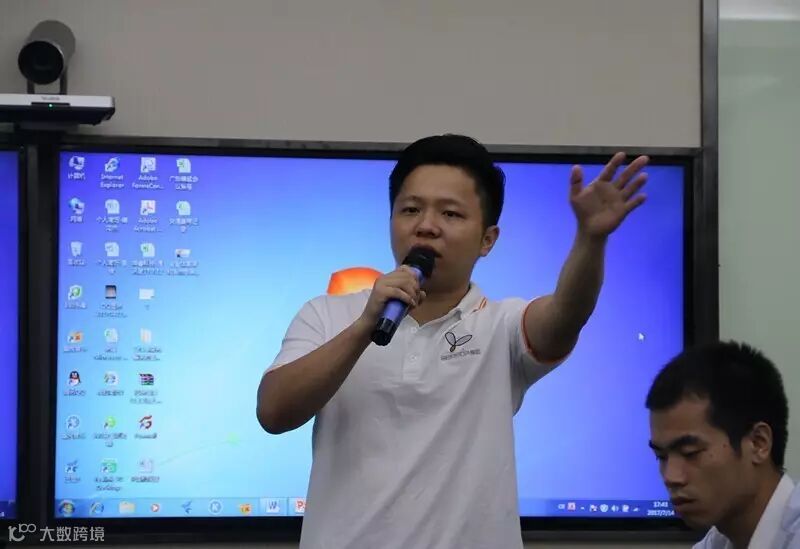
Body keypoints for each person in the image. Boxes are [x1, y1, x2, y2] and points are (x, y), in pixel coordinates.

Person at [257, 134, 648, 548]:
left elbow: (568, 312)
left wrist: (591, 239)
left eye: (450, 213)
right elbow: (274, 411)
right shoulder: (326, 314)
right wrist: (364, 327)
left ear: (487, 239)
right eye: (410, 209)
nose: (426, 225)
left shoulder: (502, 326)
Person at [647, 341, 800, 548]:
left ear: (758, 443)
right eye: (661, 456)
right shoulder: (719, 540)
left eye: (690, 453)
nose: (670, 477)